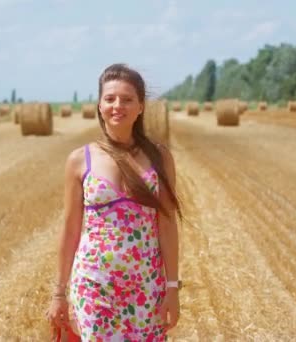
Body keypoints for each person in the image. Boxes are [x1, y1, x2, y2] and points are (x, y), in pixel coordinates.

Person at [46, 63, 183, 341]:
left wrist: (172, 287)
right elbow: (70, 230)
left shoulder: (160, 157)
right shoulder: (78, 160)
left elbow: (167, 225)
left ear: (141, 106)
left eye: (127, 99)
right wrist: (59, 294)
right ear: (99, 105)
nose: (117, 105)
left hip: (147, 287)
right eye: (110, 99)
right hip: (95, 286)